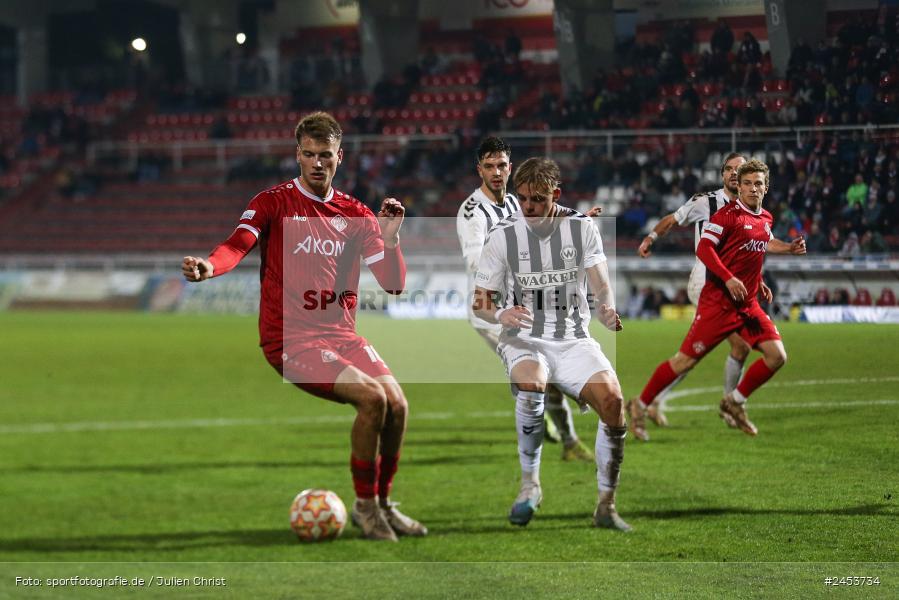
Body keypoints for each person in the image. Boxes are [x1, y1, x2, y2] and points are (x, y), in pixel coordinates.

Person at [181, 112, 426, 542]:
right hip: (291, 339)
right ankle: (366, 508)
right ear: (298, 154)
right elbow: (237, 245)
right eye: (309, 154)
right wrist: (209, 266)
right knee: (373, 400)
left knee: (398, 405)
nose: (317, 162)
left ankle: (385, 504)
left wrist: (390, 239)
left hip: (342, 335)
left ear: (339, 157)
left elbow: (393, 283)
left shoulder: (356, 213)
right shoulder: (272, 202)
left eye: (325, 155)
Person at [472, 157, 631, 531]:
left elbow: (601, 283)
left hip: (573, 338)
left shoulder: (582, 228)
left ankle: (606, 506)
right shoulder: (503, 235)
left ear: (555, 195)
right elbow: (480, 302)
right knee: (532, 382)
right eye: (523, 198)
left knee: (613, 403)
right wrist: (501, 314)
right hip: (523, 336)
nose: (529, 207)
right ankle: (530, 486)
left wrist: (606, 307)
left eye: (538, 199)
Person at [629, 159, 806, 439]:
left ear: (766, 188)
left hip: (747, 305)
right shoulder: (724, 214)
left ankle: (734, 401)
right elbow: (704, 248)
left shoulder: (765, 217)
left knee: (776, 356)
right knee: (685, 361)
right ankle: (640, 405)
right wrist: (729, 278)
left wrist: (788, 249)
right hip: (718, 302)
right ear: (736, 183)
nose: (752, 188)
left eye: (757, 184)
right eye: (747, 183)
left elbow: (761, 244)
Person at [456, 137, 594, 462]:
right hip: (494, 312)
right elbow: (476, 262)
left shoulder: (516, 202)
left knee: (544, 373)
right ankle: (566, 437)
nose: (496, 172)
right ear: (479, 170)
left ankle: (552, 422)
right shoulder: (472, 212)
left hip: (525, 305)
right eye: (489, 166)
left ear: (510, 167)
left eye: (501, 165)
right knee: (542, 372)